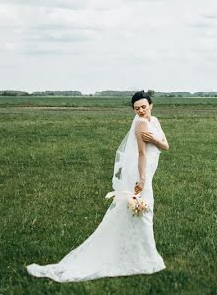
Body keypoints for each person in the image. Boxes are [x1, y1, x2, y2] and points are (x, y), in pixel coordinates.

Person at [26, 91, 169, 281]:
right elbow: (141, 154)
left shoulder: (155, 121)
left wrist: (154, 140)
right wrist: (142, 179)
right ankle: (147, 258)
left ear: (151, 105)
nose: (141, 111)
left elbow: (166, 146)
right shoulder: (141, 123)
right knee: (144, 212)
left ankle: (137, 251)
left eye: (144, 107)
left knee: (140, 212)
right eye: (136, 108)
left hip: (148, 172)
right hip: (140, 173)